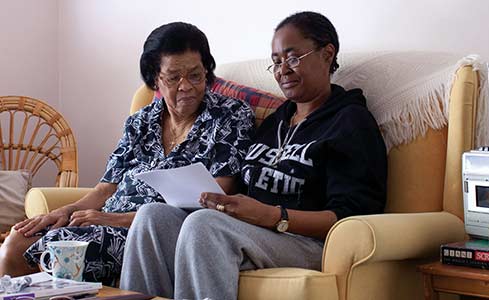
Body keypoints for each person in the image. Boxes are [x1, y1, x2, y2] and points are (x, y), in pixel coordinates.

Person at [120, 11, 387, 299]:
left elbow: (349, 217)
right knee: (152, 217)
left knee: (204, 226)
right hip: (252, 232)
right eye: (276, 62)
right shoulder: (275, 122)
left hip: (306, 240)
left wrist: (272, 215)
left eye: (293, 57)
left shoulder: (350, 122)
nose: (283, 69)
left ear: (327, 53)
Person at [0, 22, 254, 285]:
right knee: (17, 240)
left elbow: (218, 196)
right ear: (155, 78)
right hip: (103, 221)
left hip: (153, 230)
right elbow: (104, 189)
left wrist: (116, 219)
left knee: (59, 246)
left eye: (195, 75)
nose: (186, 86)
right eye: (173, 77)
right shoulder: (140, 121)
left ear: (207, 72)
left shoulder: (231, 116)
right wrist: (65, 211)